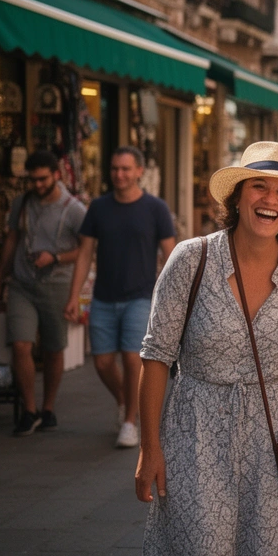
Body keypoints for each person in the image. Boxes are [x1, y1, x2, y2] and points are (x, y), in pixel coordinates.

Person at [136, 141, 278, 556]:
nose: (269, 200)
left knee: (270, 555)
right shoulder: (191, 258)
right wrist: (150, 447)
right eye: (258, 186)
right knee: (199, 552)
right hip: (196, 431)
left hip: (277, 434)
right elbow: (156, 357)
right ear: (237, 196)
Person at [64, 146, 176, 449]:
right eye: (115, 169)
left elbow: (172, 255)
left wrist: (169, 298)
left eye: (126, 169)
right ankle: (125, 402)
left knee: (132, 358)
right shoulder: (98, 208)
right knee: (101, 363)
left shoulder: (155, 209)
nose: (119, 175)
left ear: (139, 171)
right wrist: (74, 296)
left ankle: (129, 423)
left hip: (140, 296)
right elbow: (85, 253)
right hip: (103, 297)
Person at [0, 150, 87, 437]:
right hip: (22, 283)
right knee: (21, 344)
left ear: (57, 174)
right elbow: (12, 241)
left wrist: (55, 258)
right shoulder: (21, 203)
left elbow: (86, 249)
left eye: (43, 178)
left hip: (56, 283)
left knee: (53, 349)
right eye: (32, 179)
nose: (38, 184)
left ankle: (48, 408)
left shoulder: (74, 209)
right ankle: (29, 410)